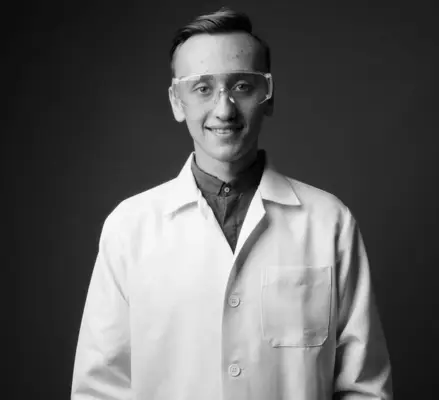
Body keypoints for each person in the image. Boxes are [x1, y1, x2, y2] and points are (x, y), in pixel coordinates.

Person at [71, 7, 392, 400]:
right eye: (202, 88)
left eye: (242, 86)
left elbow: (364, 388)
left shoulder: (329, 222)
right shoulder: (129, 227)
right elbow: (99, 390)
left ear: (268, 95)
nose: (224, 109)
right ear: (177, 101)